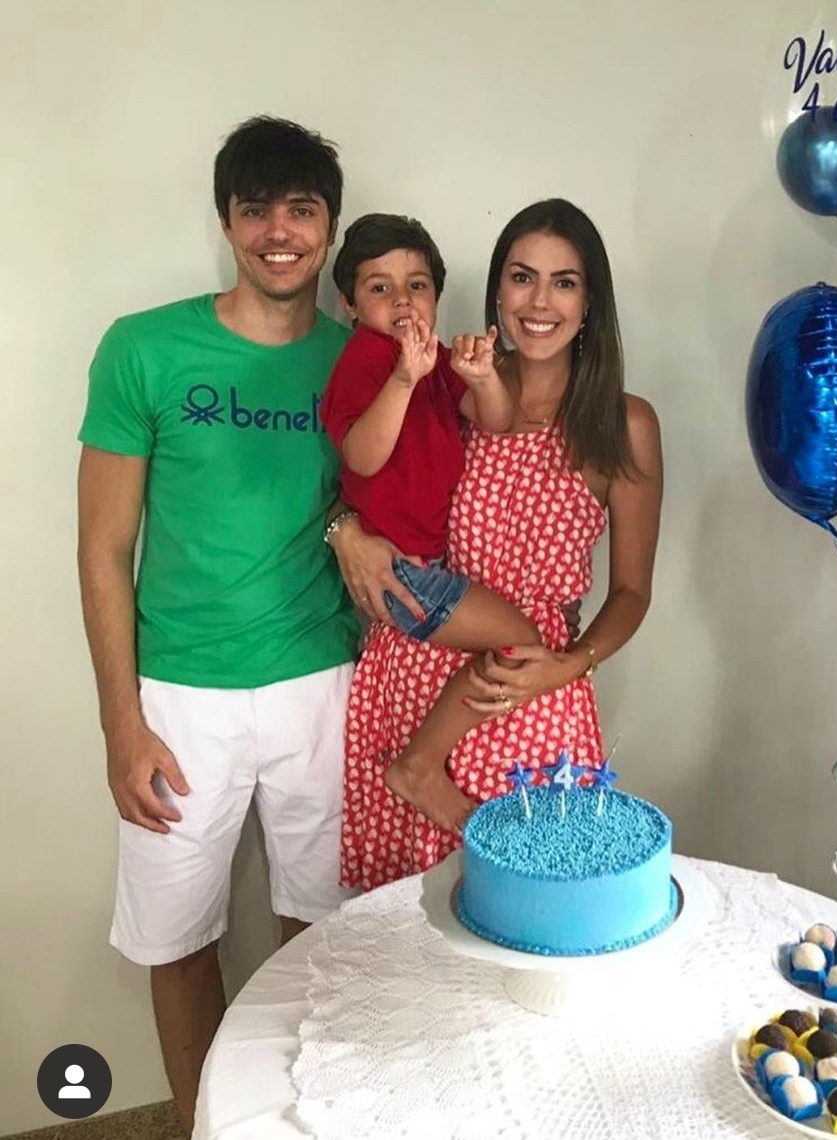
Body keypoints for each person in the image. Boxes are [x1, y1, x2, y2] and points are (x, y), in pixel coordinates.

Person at [76, 116, 357, 1136]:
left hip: (321, 683)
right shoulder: (143, 349)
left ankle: (299, 1118)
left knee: (322, 932)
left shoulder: (359, 360)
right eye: (255, 211)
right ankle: (206, 1124)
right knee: (177, 940)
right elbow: (103, 547)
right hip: (178, 696)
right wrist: (122, 723)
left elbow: (384, 508)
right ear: (227, 223)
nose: (279, 233)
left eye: (301, 211)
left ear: (329, 228)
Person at [327, 198, 663, 891]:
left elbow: (632, 592)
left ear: (589, 302)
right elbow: (364, 473)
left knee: (531, 910)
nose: (539, 302)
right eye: (521, 276)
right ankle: (419, 770)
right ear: (497, 290)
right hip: (415, 674)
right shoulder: (446, 383)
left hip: (527, 687)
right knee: (410, 929)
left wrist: (569, 666)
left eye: (563, 282)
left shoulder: (624, 424)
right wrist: (345, 531)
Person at [320, 214, 543, 832]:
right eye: (379, 288)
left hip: (425, 566)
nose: (401, 301)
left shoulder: (435, 359)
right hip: (397, 572)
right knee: (520, 640)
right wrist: (402, 379)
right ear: (349, 304)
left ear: (436, 297)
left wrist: (483, 377)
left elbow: (496, 420)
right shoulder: (365, 360)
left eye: (416, 285)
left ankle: (422, 762)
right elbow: (362, 456)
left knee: (517, 642)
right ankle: (418, 767)